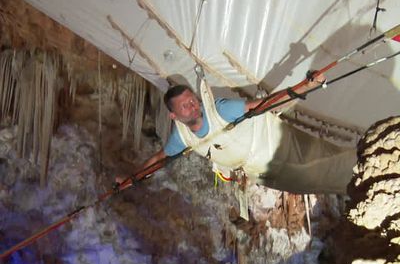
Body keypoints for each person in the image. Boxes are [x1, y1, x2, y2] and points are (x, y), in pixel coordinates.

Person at [120, 75, 357, 195]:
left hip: (283, 145)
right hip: (266, 173)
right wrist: (130, 180)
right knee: (328, 184)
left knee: (336, 164)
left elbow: (264, 105)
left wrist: (304, 87)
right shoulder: (182, 137)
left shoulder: (220, 109)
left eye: (193, 100)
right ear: (174, 116)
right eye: (185, 106)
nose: (193, 106)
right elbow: (159, 159)